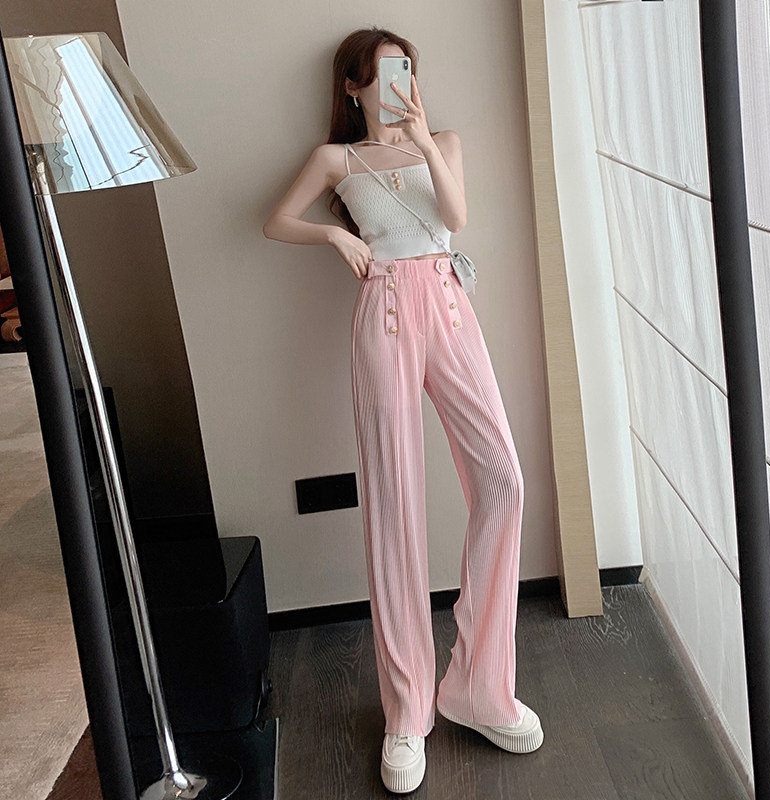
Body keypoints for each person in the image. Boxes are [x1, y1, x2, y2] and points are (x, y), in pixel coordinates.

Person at [263, 26, 544, 795]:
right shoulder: (336, 160)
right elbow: (273, 220)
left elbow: (458, 215)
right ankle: (407, 709)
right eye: (383, 72)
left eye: (406, 69)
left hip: (449, 307)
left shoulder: (442, 140)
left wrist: (419, 138)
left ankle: (479, 685)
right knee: (393, 506)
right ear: (353, 86)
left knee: (504, 481)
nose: (398, 82)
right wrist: (333, 235)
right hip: (383, 311)